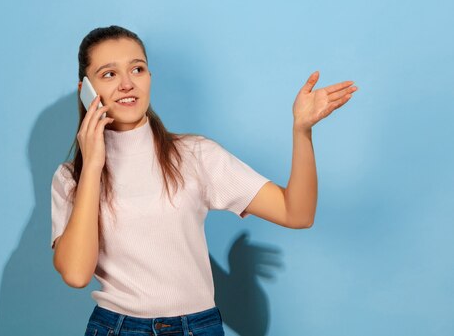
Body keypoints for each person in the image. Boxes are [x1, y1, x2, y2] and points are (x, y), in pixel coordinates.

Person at [51, 25, 358, 336]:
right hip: (115, 328)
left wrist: (302, 130)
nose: (127, 84)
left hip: (196, 327)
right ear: (86, 90)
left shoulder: (196, 155)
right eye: (109, 74)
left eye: (137, 69)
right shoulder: (71, 177)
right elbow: (76, 274)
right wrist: (92, 167)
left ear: (149, 78)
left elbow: (298, 213)